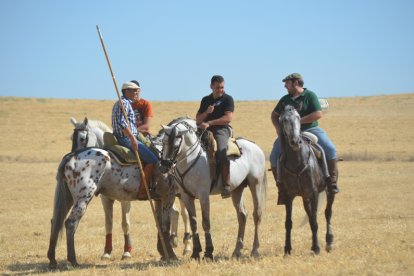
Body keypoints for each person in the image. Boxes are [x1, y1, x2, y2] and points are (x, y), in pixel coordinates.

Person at [270, 73, 339, 205]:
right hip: (289, 134)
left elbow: (318, 114)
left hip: (310, 130)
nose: (285, 86)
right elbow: (274, 115)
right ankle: (282, 189)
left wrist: (298, 121)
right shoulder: (285, 99)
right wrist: (279, 129)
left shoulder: (310, 95)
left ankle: (331, 182)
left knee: (330, 149)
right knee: (274, 156)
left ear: (296, 83)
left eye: (287, 83)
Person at [112, 81, 159, 200]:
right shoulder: (125, 104)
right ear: (126, 91)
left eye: (137, 90)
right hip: (126, 138)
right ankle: (142, 191)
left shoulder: (121, 102)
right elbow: (123, 124)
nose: (136, 92)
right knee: (153, 159)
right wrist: (133, 139)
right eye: (134, 90)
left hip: (127, 135)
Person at [196, 75, 234, 199]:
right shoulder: (205, 100)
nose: (220, 90)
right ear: (211, 86)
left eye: (222, 87)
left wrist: (210, 122)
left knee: (222, 152)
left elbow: (228, 118)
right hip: (204, 130)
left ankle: (226, 185)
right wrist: (207, 112)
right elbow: (198, 119)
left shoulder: (228, 99)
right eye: (217, 87)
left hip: (222, 129)